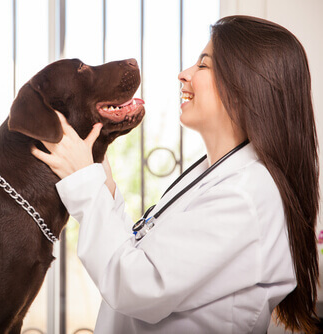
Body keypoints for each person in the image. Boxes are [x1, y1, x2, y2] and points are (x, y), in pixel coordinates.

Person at [31, 15, 319, 333]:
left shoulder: (245, 194)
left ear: (246, 83)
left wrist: (85, 186)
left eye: (204, 65)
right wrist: (103, 183)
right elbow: (142, 255)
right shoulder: (218, 175)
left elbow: (136, 286)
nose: (184, 75)